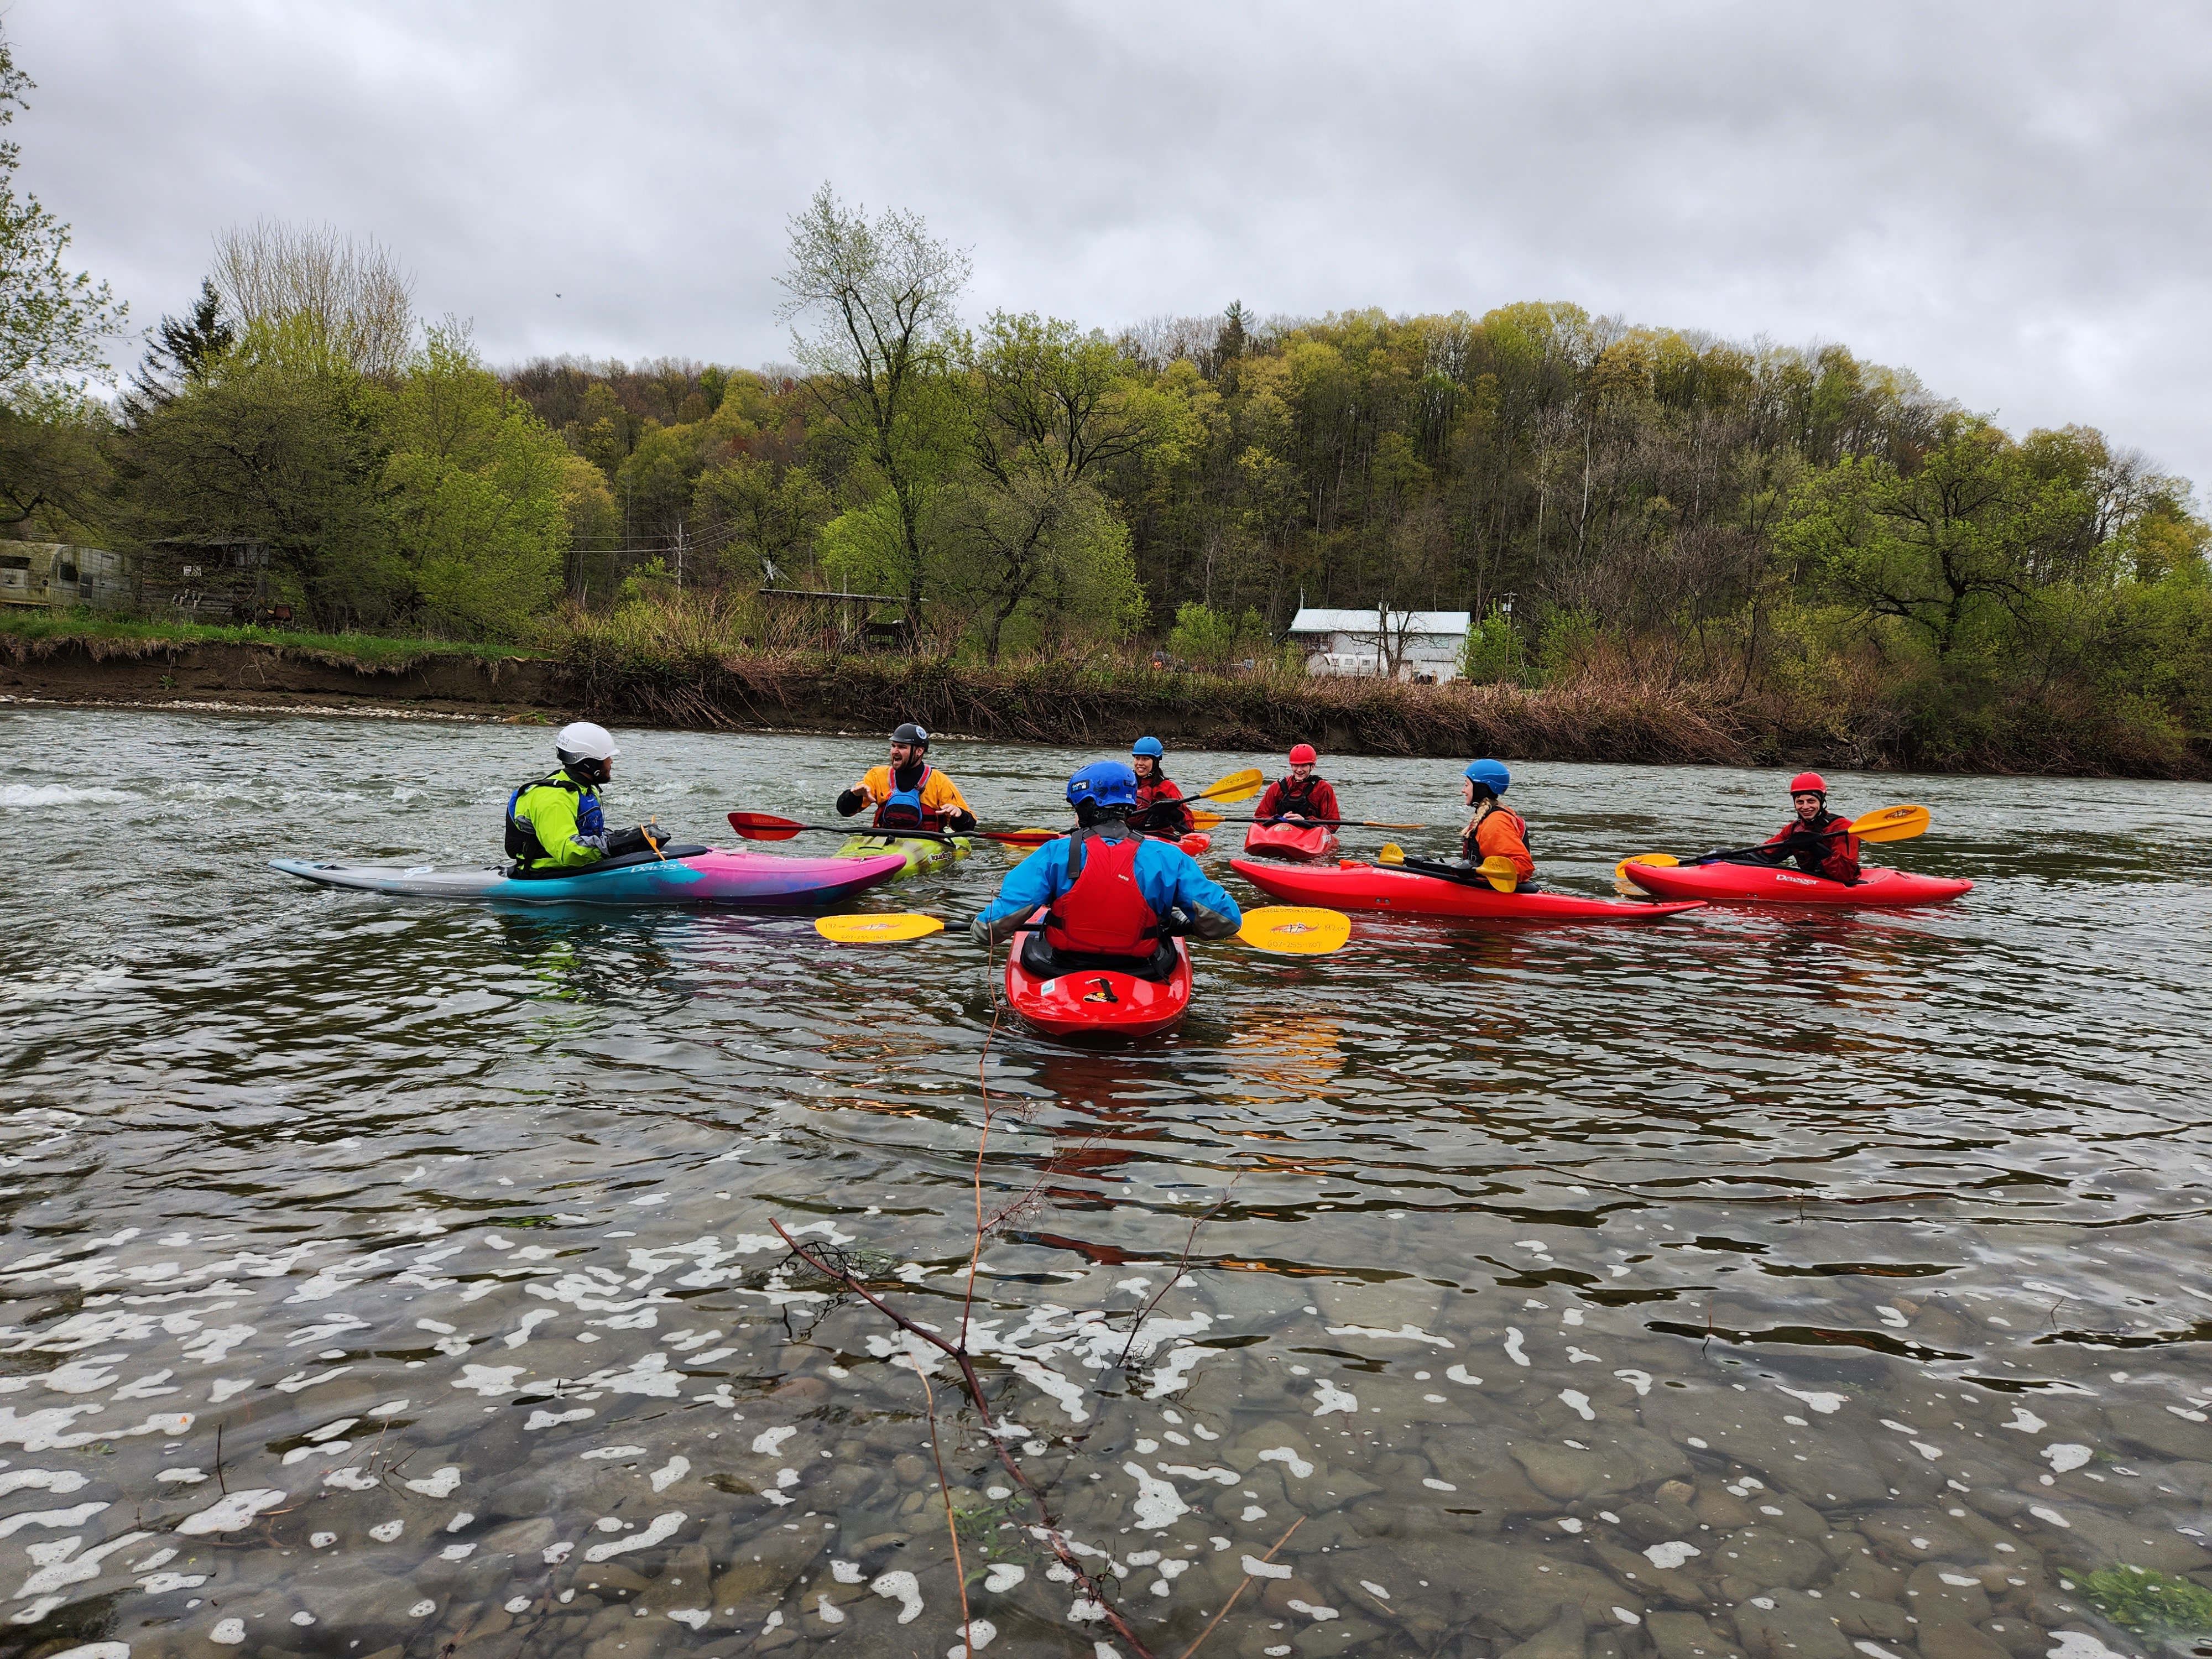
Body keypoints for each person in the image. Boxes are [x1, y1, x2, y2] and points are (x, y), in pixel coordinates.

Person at [969, 761, 1241, 980]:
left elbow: (988, 930)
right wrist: (1188, 926)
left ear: (1086, 806)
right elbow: (1226, 921)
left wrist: (979, 926)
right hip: (1142, 970)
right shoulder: (1169, 856)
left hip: (1063, 968)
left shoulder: (1054, 852)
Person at [506, 722, 662, 875]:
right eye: (607, 757)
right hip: (549, 874)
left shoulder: (586, 789)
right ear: (590, 763)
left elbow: (590, 835)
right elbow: (568, 852)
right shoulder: (555, 799)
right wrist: (615, 845)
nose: (611, 762)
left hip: (580, 868)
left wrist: (631, 838)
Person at [836, 722, 978, 834]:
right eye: (893, 746)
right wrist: (854, 796)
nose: (894, 751)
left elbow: (968, 827)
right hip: (885, 839)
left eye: (902, 747)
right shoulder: (877, 776)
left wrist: (959, 815)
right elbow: (845, 812)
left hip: (926, 842)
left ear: (919, 751)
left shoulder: (939, 782)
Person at [1755, 772, 1860, 883]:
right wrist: (1741, 858)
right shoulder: (1794, 829)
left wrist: (1815, 848)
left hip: (1840, 884)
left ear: (1821, 801)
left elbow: (1845, 875)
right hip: (1809, 882)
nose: (1805, 807)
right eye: (1800, 802)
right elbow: (1763, 854)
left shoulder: (1843, 828)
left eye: (1811, 801)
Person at [1458, 759, 1536, 885]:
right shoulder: (1488, 817)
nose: (1463, 790)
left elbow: (1523, 866)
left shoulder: (1496, 822)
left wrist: (1477, 871)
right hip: (1481, 885)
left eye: (1467, 785)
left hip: (1493, 891)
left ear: (1481, 788)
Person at [1254, 743, 1340, 827]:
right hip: (1279, 832)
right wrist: (1279, 819)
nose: (1299, 770)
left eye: (1304, 766)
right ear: (1291, 766)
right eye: (1296, 765)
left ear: (1312, 766)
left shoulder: (1323, 788)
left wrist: (1305, 820)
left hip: (1309, 833)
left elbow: (1333, 824)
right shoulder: (1277, 787)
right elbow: (1259, 817)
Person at [1128, 735, 1194, 840]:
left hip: (1157, 837)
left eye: (1145, 759)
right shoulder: (1126, 782)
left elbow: (1188, 826)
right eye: (1137, 758)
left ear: (1156, 761)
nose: (1140, 763)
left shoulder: (1167, 787)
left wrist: (1171, 812)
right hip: (1128, 834)